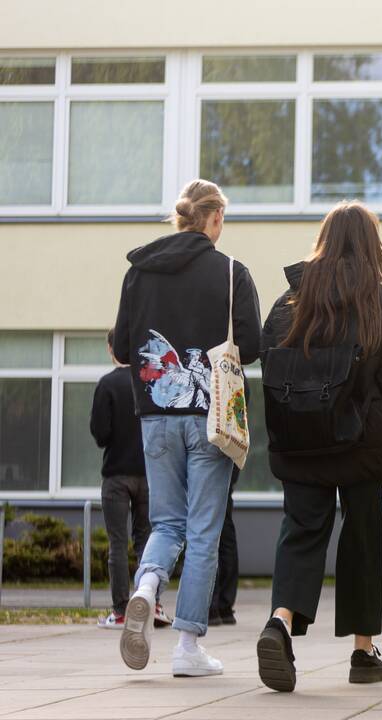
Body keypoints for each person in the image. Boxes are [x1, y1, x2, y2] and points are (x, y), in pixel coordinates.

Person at [255, 201, 382, 693]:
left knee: (301, 530)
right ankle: (363, 653)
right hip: (359, 441)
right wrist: (365, 398)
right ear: (371, 243)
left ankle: (280, 623)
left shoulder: (291, 297)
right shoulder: (381, 298)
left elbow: (271, 361)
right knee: (362, 539)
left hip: (301, 442)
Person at [112, 179, 261, 677]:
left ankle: (145, 588)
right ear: (214, 218)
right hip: (210, 418)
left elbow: (121, 346)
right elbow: (254, 345)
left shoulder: (139, 271)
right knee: (202, 531)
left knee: (166, 523)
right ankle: (187, 648)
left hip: (155, 418)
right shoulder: (232, 272)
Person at [91, 329, 170, 631]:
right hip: (150, 473)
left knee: (118, 543)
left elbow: (100, 434)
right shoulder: (149, 381)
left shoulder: (107, 385)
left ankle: (123, 611)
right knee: (149, 541)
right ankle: (153, 603)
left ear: (111, 349)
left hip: (116, 475)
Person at [208, 463, 240, 627]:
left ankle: (211, 605)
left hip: (210, 459)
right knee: (225, 530)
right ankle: (225, 606)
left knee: (208, 531)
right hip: (231, 452)